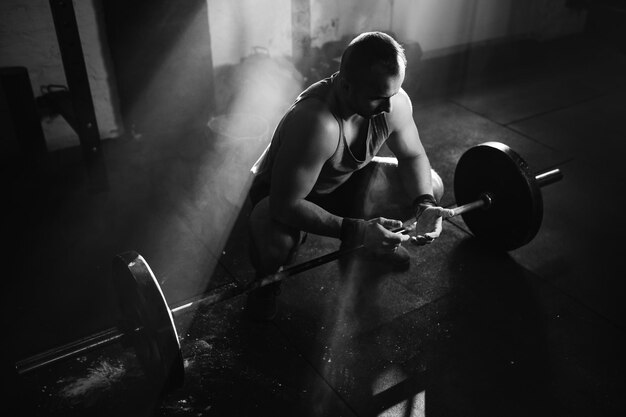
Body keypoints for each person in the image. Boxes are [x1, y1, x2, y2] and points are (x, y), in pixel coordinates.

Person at [245, 31, 450, 320]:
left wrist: (425, 204)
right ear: (345, 86)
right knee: (273, 242)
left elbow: (413, 156)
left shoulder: (393, 102)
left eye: (392, 93)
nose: (389, 107)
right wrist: (357, 231)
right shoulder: (316, 122)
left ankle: (370, 245)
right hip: (286, 195)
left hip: (343, 182)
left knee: (432, 184)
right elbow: (285, 204)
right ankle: (267, 281)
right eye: (378, 97)